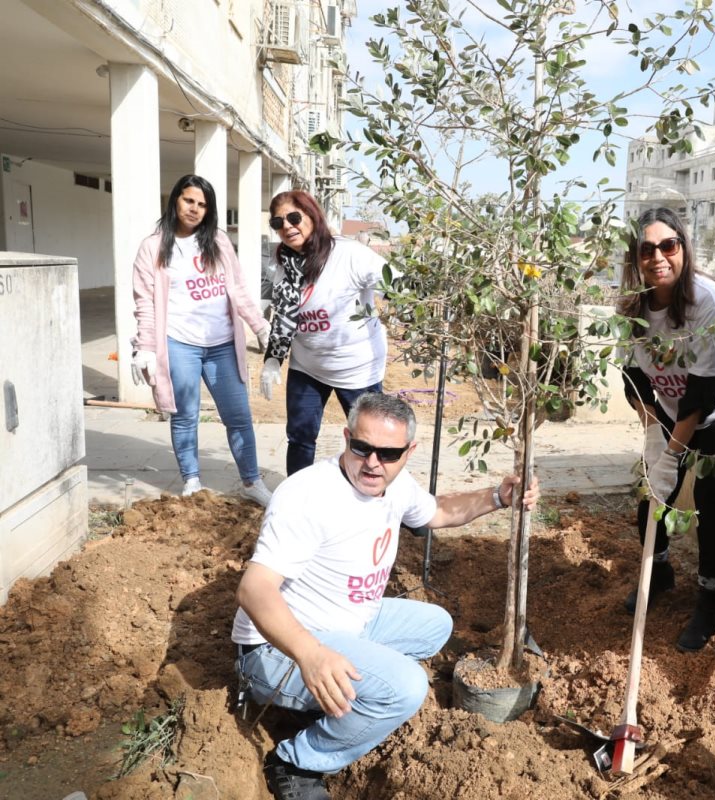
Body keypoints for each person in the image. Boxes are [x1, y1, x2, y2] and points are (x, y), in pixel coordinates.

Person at [232, 392, 539, 800]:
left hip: (348, 623)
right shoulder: (307, 496)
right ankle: (297, 760)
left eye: (388, 453)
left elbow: (438, 512)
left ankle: (355, 693)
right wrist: (311, 654)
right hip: (275, 653)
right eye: (362, 448)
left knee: (436, 625)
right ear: (346, 438)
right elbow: (254, 588)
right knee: (406, 688)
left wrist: (499, 497)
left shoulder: (393, 485)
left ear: (409, 452)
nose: (373, 462)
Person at [618, 208, 715, 652]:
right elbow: (635, 378)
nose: (658, 257)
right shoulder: (630, 307)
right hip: (667, 405)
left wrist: (672, 453)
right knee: (652, 492)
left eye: (668, 245)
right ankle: (659, 570)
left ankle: (710, 598)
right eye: (647, 249)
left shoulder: (706, 302)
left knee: (710, 497)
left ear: (683, 247)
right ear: (636, 257)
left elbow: (701, 396)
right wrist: (652, 435)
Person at [131, 174, 273, 506]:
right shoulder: (153, 247)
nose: (195, 209)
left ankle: (251, 482)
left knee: (238, 415)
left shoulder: (219, 242)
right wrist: (146, 347)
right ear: (175, 201)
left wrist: (260, 326)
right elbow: (144, 302)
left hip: (222, 343)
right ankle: (192, 481)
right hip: (180, 343)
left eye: (203, 204)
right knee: (185, 415)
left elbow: (238, 289)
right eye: (189, 200)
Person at [260, 190, 390, 475]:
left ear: (312, 216)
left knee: (370, 441)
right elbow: (283, 313)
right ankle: (296, 498)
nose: (287, 227)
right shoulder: (280, 263)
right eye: (278, 222)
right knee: (300, 437)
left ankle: (373, 498)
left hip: (357, 368)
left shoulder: (348, 254)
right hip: (308, 366)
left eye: (294, 218)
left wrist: (423, 306)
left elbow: (396, 286)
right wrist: (273, 359)